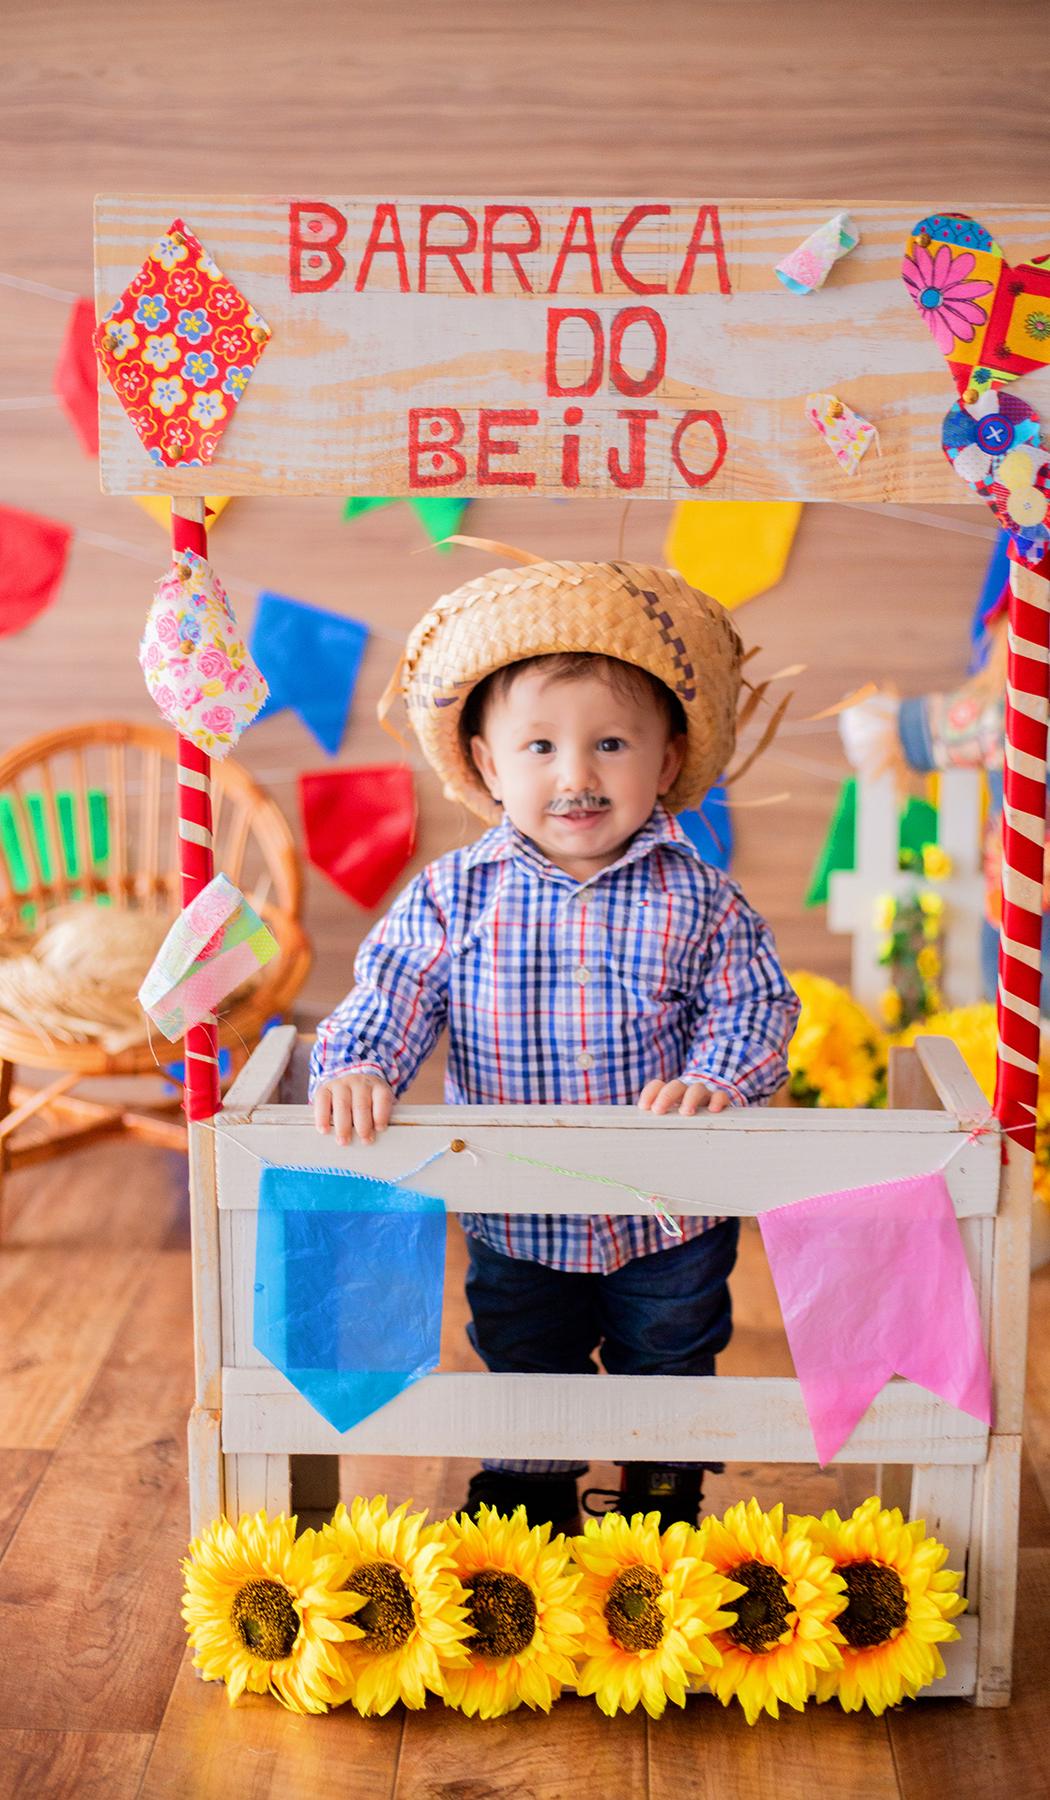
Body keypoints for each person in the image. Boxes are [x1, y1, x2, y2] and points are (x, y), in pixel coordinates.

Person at [310, 551, 799, 1532]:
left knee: (672, 1348)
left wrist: (717, 1075)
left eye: (611, 744)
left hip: (668, 1215)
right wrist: (361, 1062)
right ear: (489, 764)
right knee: (526, 1350)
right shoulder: (456, 895)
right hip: (516, 1209)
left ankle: (665, 1490)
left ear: (664, 760)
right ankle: (531, 1492)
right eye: (539, 748)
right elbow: (397, 988)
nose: (576, 775)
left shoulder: (699, 897)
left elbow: (758, 1003)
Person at [839, 510, 1050, 1028]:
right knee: (1008, 989)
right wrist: (890, 725)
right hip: (1006, 905)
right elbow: (944, 727)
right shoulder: (1001, 712)